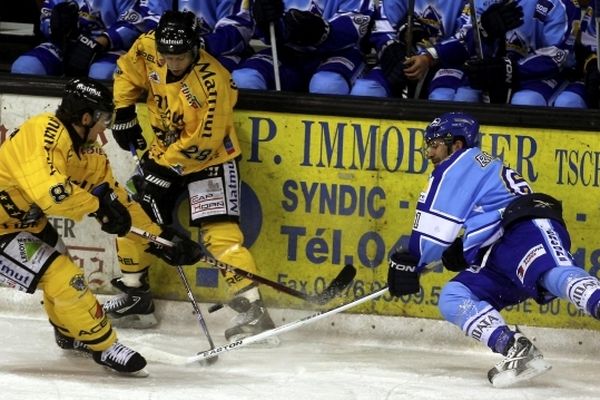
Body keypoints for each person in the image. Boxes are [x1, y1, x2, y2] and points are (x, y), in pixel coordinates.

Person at [0, 77, 201, 376]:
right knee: (64, 277)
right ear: (85, 117)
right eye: (104, 118)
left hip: (24, 223)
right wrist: (97, 206)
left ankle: (71, 331)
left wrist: (160, 240)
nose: (106, 126)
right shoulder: (42, 132)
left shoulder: (89, 152)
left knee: (61, 274)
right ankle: (104, 346)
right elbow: (53, 195)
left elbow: (118, 201)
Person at [387, 112, 600, 387]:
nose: (429, 152)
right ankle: (515, 348)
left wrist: (411, 263)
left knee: (550, 273)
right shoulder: (477, 166)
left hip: (525, 230)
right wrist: (463, 250)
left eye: (435, 144)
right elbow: (479, 218)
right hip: (498, 251)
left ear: (457, 144)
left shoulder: (463, 163)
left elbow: (434, 233)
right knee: (454, 295)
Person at [108, 10, 278, 343]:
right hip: (164, 150)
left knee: (221, 236)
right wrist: (125, 110)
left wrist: (162, 170)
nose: (173, 62)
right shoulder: (148, 47)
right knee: (131, 214)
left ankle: (254, 312)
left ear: (196, 47)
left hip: (210, 158)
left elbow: (203, 142)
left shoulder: (213, 83)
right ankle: (136, 296)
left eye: (180, 56)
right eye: (168, 56)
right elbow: (128, 71)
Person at [232, 0, 372, 94]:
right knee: (245, 79)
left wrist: (320, 31)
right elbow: (265, 32)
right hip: (288, 53)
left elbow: (357, 24)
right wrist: (264, 20)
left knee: (327, 84)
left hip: (340, 52)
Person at [11, 0, 170, 80]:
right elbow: (47, 14)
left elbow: (141, 20)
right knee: (25, 66)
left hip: (111, 48)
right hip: (65, 44)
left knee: (101, 73)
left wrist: (102, 41)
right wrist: (55, 26)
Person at [349, 0, 467, 98]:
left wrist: (430, 56)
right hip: (406, 57)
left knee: (443, 97)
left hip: (447, 62)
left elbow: (469, 34)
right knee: (365, 90)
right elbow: (382, 26)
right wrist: (392, 51)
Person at [177, 0, 255, 72]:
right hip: (173, 54)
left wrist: (199, 44)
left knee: (243, 79)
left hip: (217, 55)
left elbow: (236, 32)